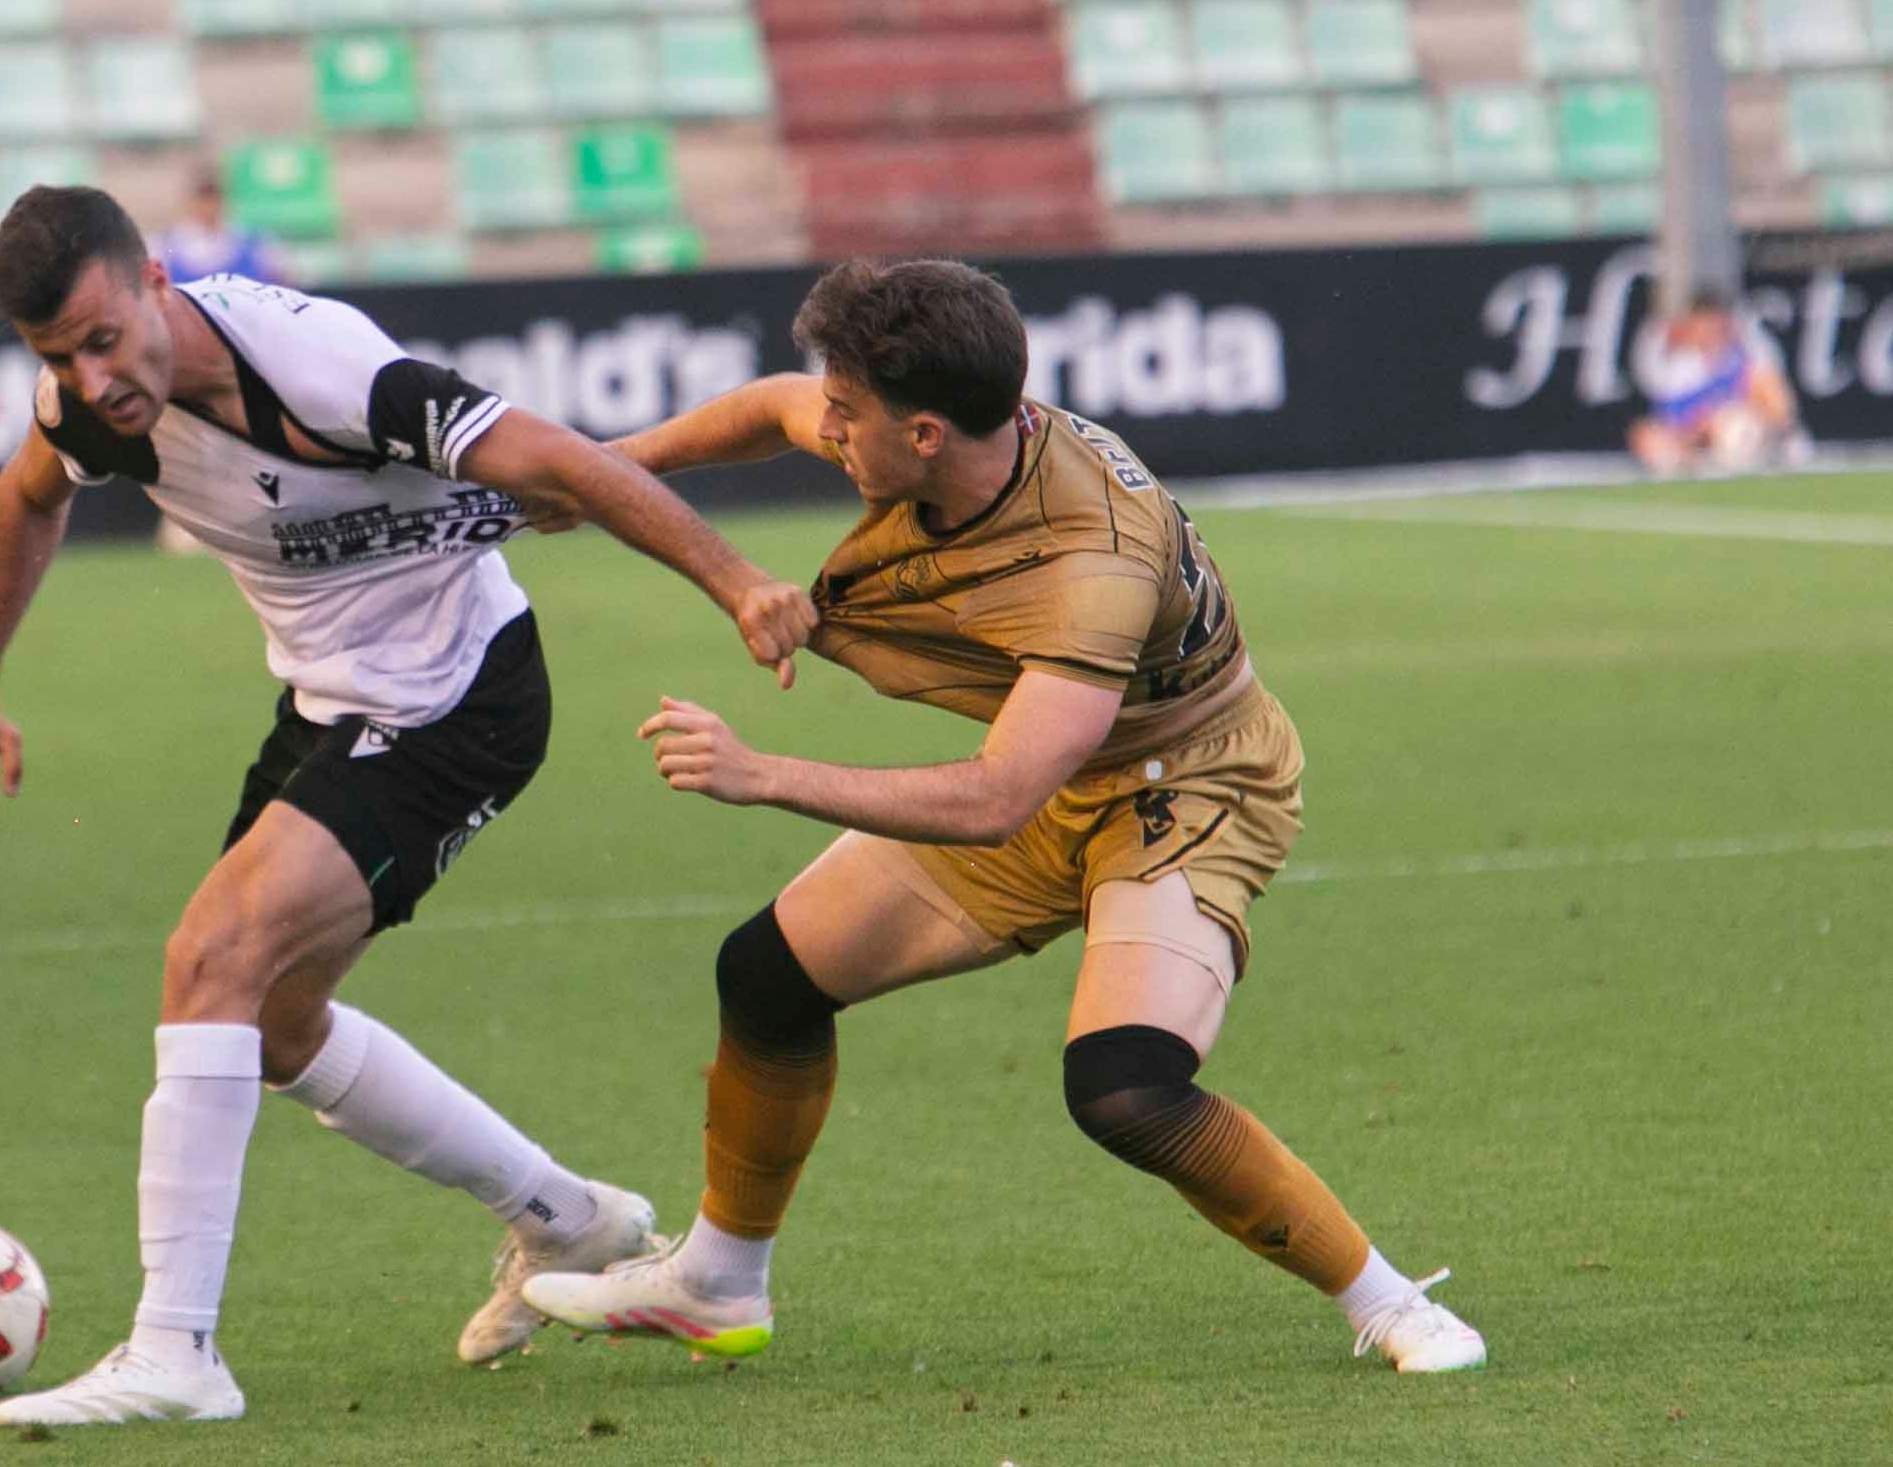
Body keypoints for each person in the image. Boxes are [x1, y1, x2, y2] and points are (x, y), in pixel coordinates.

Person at [0, 185, 817, 1427]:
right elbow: (27, 496)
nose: (89, 375)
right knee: (273, 1025)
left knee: (208, 958)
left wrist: (738, 582)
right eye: (57, 356)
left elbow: (558, 460)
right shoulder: (89, 407)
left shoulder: (323, 369)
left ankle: (175, 1352)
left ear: (156, 282)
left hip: (456, 700)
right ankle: (568, 1219)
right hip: (331, 707)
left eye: (103, 337)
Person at [521, 258, 1487, 1375]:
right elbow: (764, 409)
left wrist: (763, 773)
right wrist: (605, 472)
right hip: (1057, 765)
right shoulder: (943, 429)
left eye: (846, 415)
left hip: (1184, 787)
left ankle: (1387, 1303)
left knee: (1123, 1085)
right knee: (767, 977)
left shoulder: (1091, 565)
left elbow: (992, 798)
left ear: (924, 434)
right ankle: (714, 1282)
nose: (822, 428)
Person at [1628, 287, 1807, 474]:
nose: (1708, 332)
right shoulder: (1679, 369)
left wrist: (1732, 414)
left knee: (1756, 394)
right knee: (1645, 434)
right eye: (1702, 325)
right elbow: (1671, 420)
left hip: (1750, 427)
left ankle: (1786, 442)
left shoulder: (1744, 353)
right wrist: (1702, 427)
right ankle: (1692, 462)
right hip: (1698, 441)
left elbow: (1770, 395)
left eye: (1714, 324)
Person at [152, 164, 283, 285]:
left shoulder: (257, 243)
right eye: (202, 197)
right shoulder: (163, 246)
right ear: (188, 200)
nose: (208, 205)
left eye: (212, 197)